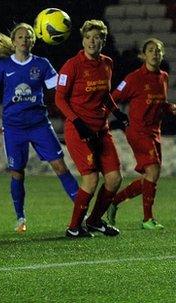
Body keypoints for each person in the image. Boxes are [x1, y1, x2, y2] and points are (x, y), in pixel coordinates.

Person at [0, 23, 79, 234]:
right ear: (14, 42)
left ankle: (82, 210)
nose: (24, 40)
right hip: (14, 128)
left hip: (39, 124)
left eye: (28, 37)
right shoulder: (3, 66)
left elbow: (60, 88)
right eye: (20, 37)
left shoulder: (42, 64)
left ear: (33, 41)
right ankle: (20, 217)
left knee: (60, 166)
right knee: (17, 173)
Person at [55, 19, 129, 238]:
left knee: (115, 179)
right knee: (91, 179)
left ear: (103, 41)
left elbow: (105, 94)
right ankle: (74, 227)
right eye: (88, 37)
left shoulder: (107, 63)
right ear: (83, 40)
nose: (92, 41)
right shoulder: (72, 65)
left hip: (101, 130)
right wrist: (77, 122)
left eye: (97, 37)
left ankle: (95, 221)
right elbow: (60, 99)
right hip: (79, 131)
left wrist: (116, 112)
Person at [108, 38, 176, 230]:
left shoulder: (163, 77)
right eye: (151, 50)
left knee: (151, 176)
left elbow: (158, 103)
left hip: (155, 132)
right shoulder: (134, 78)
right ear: (143, 55)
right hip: (138, 131)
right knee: (153, 172)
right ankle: (147, 219)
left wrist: (169, 108)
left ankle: (114, 202)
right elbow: (113, 98)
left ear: (162, 55)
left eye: (158, 50)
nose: (155, 53)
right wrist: (115, 117)